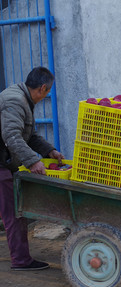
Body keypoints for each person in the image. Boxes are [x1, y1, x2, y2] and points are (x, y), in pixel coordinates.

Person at [0, 66, 64, 271]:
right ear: (43, 88)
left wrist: (49, 151)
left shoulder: (23, 99)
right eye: (48, 93)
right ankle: (21, 260)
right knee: (15, 213)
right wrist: (32, 162)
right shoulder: (15, 101)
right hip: (1, 165)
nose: (46, 96)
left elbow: (29, 135)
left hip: (5, 161)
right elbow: (12, 137)